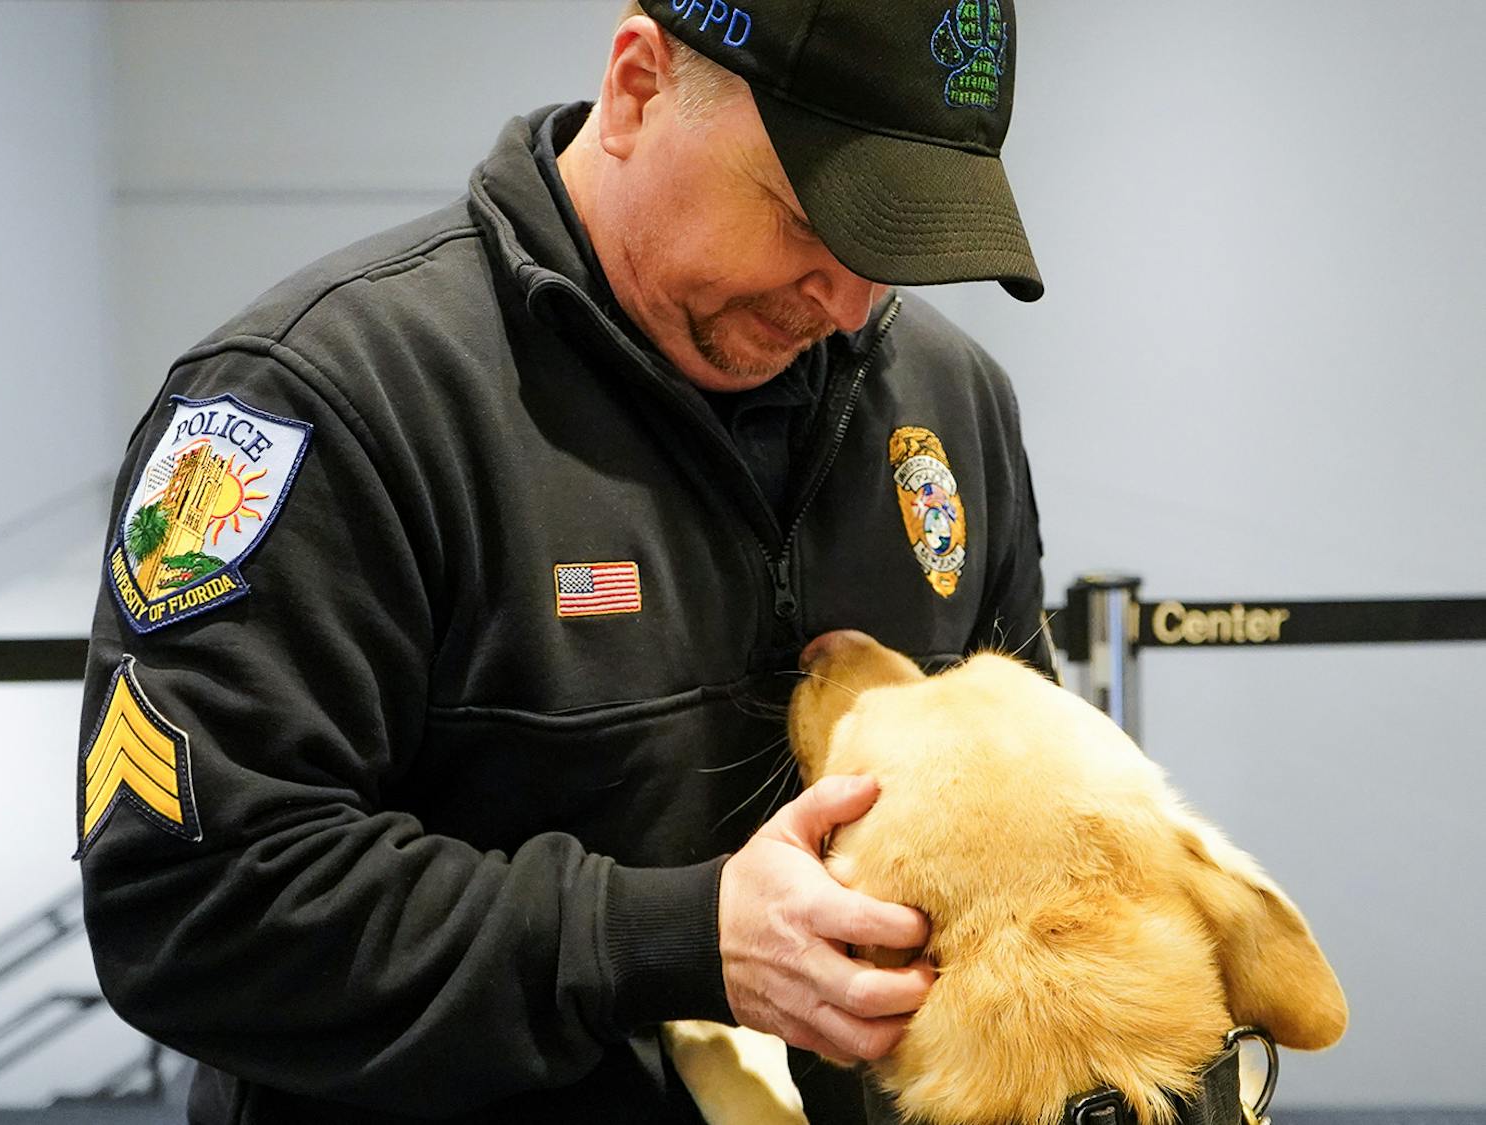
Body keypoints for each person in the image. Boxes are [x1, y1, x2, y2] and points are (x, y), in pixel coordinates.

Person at [75, 0, 1057, 1121]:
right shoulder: (323, 402)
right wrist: (676, 943)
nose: (847, 300)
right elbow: (192, 911)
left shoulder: (950, 402)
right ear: (637, 85)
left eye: (896, 243)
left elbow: (1027, 814)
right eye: (804, 219)